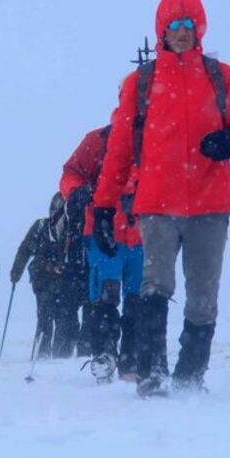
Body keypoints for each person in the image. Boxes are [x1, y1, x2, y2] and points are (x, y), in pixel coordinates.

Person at [93, 0, 230, 395]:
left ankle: (190, 379)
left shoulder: (221, 76)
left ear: (199, 29)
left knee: (203, 296)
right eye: (174, 26)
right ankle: (153, 377)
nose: (182, 34)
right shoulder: (142, 83)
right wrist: (104, 205)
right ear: (161, 31)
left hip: (211, 204)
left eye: (188, 26)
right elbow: (118, 150)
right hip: (156, 206)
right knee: (155, 287)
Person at [61, 125, 144, 383]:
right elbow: (72, 172)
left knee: (138, 299)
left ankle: (132, 358)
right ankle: (104, 355)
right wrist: (76, 193)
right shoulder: (98, 139)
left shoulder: (158, 135)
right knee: (106, 296)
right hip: (102, 230)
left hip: (144, 233)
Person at [10, 193, 84, 359]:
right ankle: (44, 352)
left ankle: (63, 354)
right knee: (46, 315)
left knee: (65, 316)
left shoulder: (75, 229)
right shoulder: (41, 226)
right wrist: (16, 271)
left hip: (67, 280)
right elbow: (25, 249)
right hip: (43, 279)